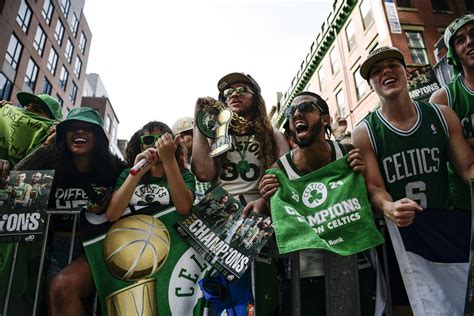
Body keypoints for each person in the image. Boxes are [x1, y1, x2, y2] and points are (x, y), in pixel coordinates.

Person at [353, 46, 474, 314]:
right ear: (371, 84)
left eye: (392, 65)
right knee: (406, 308)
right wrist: (389, 207)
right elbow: (374, 187)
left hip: (442, 226)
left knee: (457, 304)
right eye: (376, 70)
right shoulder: (365, 131)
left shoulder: (441, 115)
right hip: (401, 236)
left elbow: (467, 168)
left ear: (405, 72)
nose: (386, 71)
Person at [253, 91, 375, 315]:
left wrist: (364, 175)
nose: (297, 113)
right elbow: (275, 214)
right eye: (291, 111)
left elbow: (371, 193)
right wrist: (264, 200)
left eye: (306, 107)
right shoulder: (280, 169)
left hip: (354, 266)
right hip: (304, 275)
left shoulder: (347, 154)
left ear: (325, 119)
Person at [192, 72, 289, 314]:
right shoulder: (217, 138)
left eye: (241, 90)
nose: (233, 95)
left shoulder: (273, 135)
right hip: (221, 221)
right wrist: (198, 122)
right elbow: (203, 173)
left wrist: (264, 203)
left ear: (256, 98)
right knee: (225, 300)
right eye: (227, 93)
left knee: (257, 298)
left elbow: (285, 177)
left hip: (259, 220)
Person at [12, 107, 124, 315]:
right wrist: (46, 146)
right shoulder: (53, 166)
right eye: (72, 128)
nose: (79, 132)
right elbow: (17, 184)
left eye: (87, 129)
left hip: (96, 248)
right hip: (56, 248)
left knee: (62, 288)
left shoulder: (114, 169)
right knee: (52, 301)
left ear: (98, 137)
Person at [430, 14, 474, 212]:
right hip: (467, 202)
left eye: (473, 35)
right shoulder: (442, 99)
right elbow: (447, 155)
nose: (470, 42)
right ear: (454, 54)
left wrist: (467, 143)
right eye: (460, 40)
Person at [172, 116, 210, 201]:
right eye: (195, 134)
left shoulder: (207, 160)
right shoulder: (172, 165)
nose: (200, 138)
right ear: (181, 137)